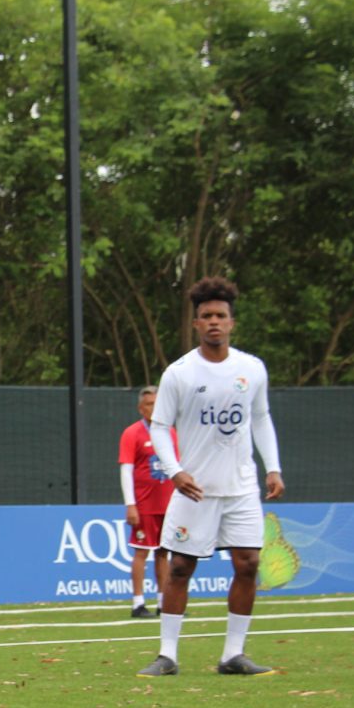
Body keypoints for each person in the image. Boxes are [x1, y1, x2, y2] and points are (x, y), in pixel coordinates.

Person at [136, 276, 285, 678]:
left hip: (240, 489)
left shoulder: (251, 369)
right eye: (206, 316)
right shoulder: (179, 373)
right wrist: (176, 472)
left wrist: (273, 467)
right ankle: (167, 655)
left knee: (248, 563)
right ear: (196, 324)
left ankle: (233, 655)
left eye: (221, 315)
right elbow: (160, 427)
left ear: (232, 322)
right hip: (195, 490)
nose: (214, 322)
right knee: (181, 567)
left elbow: (260, 418)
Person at [119, 385, 175, 618]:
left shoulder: (171, 432)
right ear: (141, 408)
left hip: (169, 504)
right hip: (144, 505)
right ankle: (138, 603)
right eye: (149, 404)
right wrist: (130, 503)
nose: (154, 408)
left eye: (157, 403)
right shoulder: (132, 433)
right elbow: (126, 469)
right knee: (141, 552)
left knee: (164, 553)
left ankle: (164, 602)